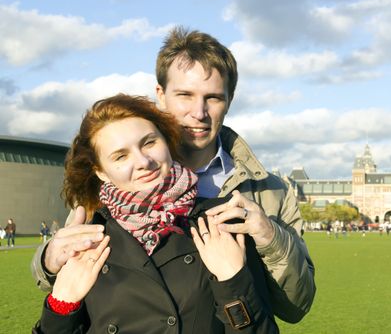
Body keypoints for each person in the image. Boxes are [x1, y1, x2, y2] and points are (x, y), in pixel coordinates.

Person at [31, 27, 315, 323]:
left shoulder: (268, 190)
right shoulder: (119, 177)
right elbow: (74, 277)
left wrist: (270, 236)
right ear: (160, 95)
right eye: (185, 95)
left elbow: (295, 307)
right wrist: (48, 261)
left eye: (213, 98)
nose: (199, 112)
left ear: (229, 100)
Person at [33, 94, 277, 333]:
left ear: (167, 142)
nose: (143, 161)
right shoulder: (89, 240)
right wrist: (62, 305)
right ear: (102, 173)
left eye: (149, 142)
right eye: (120, 156)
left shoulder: (220, 220)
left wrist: (233, 282)